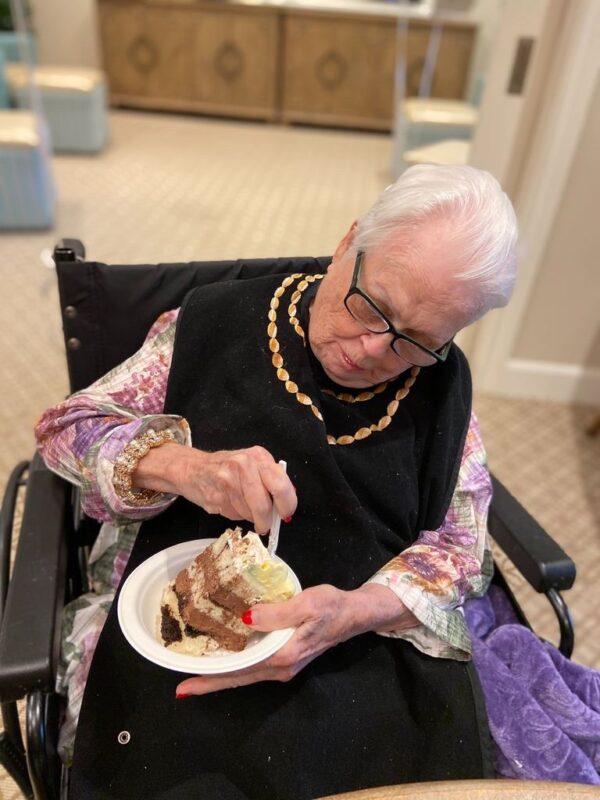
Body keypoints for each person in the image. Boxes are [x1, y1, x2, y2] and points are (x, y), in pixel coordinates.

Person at [36, 165, 517, 799]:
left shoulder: (443, 384)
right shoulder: (211, 324)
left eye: (417, 341)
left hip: (353, 634)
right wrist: (185, 467)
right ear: (349, 243)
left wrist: (351, 613)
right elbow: (65, 431)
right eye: (373, 306)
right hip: (182, 620)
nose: (375, 349)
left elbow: (460, 550)